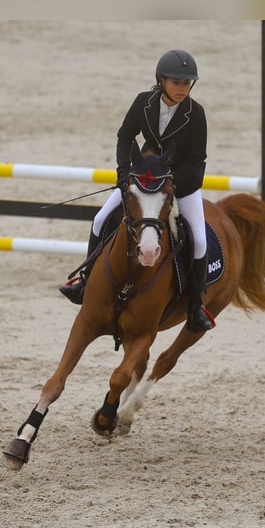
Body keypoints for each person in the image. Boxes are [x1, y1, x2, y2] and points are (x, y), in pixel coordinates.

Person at [59, 49, 213, 333]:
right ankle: (85, 281)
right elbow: (125, 136)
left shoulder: (197, 114)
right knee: (101, 219)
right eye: (177, 82)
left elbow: (196, 160)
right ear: (162, 80)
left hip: (180, 184)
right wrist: (123, 173)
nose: (183, 88)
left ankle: (195, 306)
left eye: (187, 83)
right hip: (143, 179)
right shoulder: (144, 103)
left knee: (200, 240)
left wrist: (171, 183)